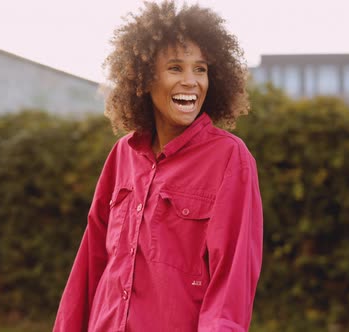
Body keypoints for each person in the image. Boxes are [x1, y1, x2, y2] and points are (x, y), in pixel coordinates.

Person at [53, 1, 263, 331]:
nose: (192, 82)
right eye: (176, 68)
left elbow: (231, 282)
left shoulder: (230, 158)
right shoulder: (123, 153)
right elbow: (91, 263)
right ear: (145, 78)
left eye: (201, 69)